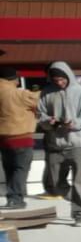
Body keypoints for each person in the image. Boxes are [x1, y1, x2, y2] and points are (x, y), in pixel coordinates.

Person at [37, 61, 81, 226]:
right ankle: (78, 199)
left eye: (62, 80)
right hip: (55, 144)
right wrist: (49, 121)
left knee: (79, 181)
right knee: (53, 184)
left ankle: (80, 213)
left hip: (77, 144)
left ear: (68, 76)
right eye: (56, 81)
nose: (60, 83)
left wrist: (73, 124)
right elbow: (40, 116)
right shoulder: (46, 93)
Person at [0, 67, 36, 209]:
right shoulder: (19, 94)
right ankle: (16, 199)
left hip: (3, 139)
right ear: (14, 79)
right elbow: (41, 100)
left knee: (9, 169)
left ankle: (12, 198)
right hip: (21, 138)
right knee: (20, 169)